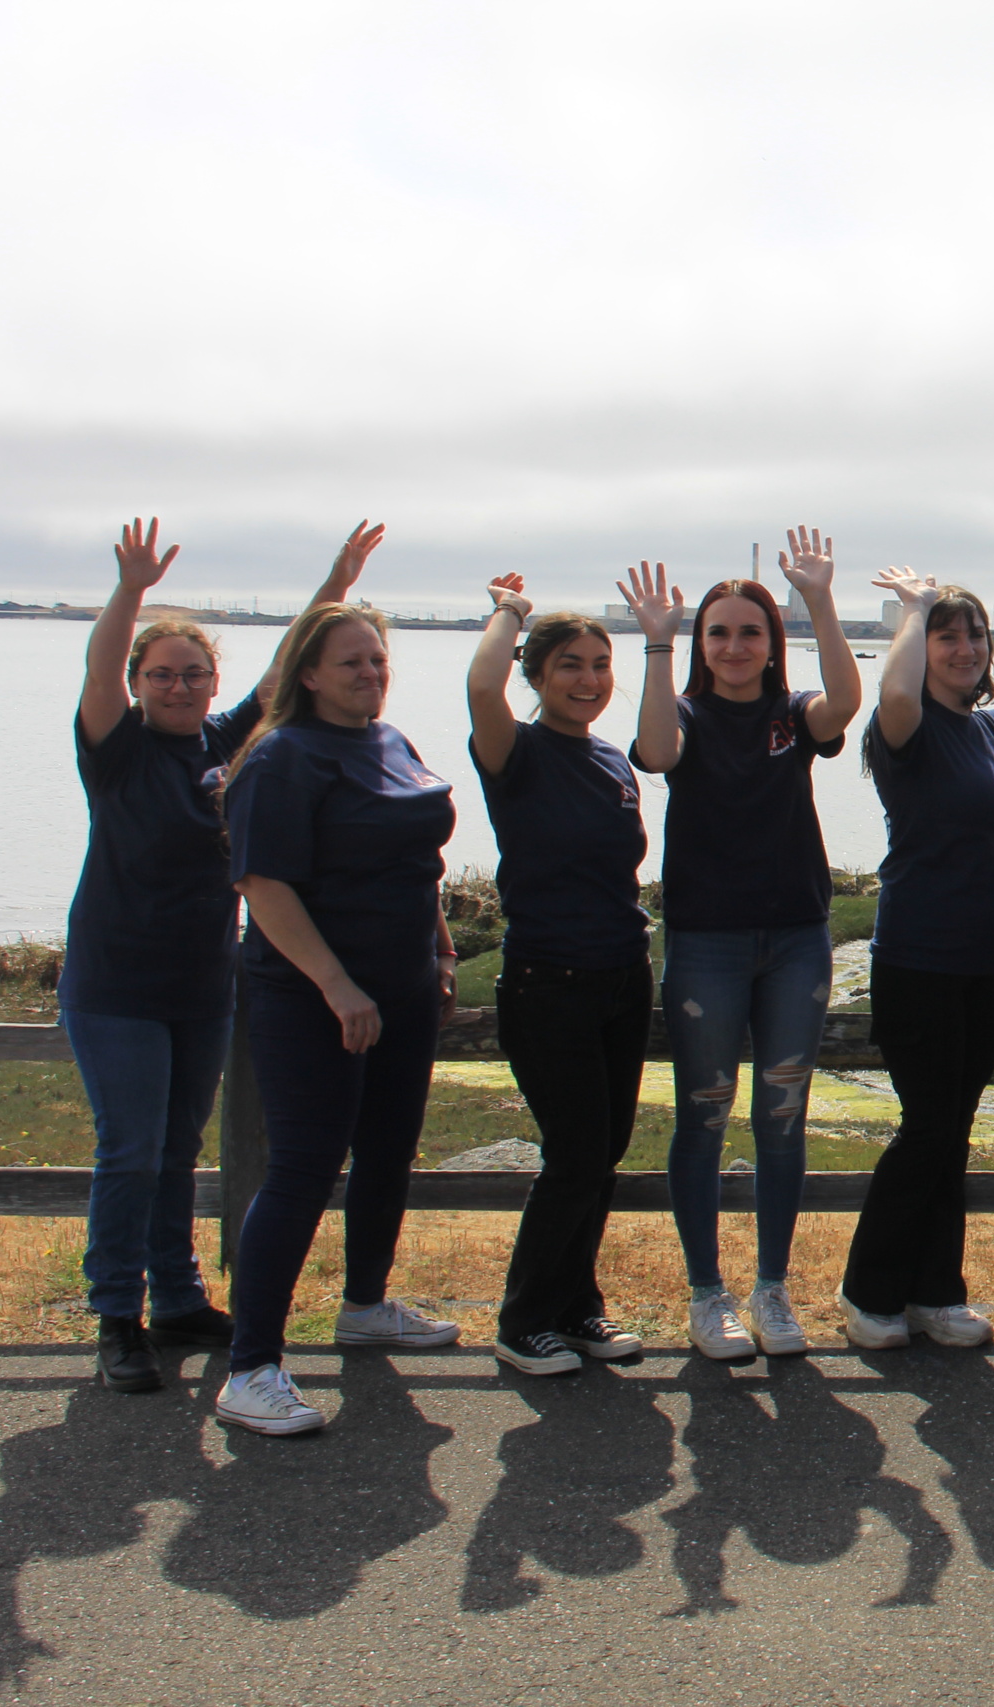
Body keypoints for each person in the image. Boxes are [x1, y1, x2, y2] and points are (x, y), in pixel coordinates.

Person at [61, 517, 376, 1393]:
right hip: (115, 983)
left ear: (211, 682)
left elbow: (284, 668)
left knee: (176, 1149)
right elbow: (97, 669)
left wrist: (337, 582)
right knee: (129, 1149)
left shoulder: (224, 743)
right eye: (162, 674)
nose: (179, 686)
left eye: (194, 673)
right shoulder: (116, 751)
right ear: (139, 684)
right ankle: (116, 1315)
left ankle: (177, 1298)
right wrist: (130, 591)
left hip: (201, 983)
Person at [216, 594, 461, 1435]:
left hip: (403, 987)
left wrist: (440, 949)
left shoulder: (389, 741)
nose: (370, 672)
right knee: (303, 1169)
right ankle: (251, 1367)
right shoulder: (281, 757)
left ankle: (364, 1306)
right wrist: (335, 984)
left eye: (378, 659)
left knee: (388, 1151)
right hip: (313, 997)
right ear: (309, 674)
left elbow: (417, 861)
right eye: (351, 661)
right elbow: (263, 884)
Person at [837, 567, 994, 1350]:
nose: (963, 648)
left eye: (974, 634)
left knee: (955, 1130)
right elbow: (895, 692)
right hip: (918, 955)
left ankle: (935, 1292)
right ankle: (868, 1290)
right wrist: (914, 610)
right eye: (946, 636)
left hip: (990, 959)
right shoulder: (906, 728)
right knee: (926, 1128)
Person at [622, 530, 863, 1360]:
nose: (733, 646)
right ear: (699, 644)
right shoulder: (683, 713)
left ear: (772, 642)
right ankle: (706, 1294)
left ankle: (772, 1288)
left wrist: (819, 600)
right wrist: (657, 644)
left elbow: (845, 703)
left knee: (783, 1116)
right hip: (707, 943)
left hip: (796, 937)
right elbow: (657, 753)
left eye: (750, 632)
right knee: (704, 1113)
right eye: (717, 633)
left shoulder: (792, 715)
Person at [467, 575, 655, 1376]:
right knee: (574, 1152)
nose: (589, 679)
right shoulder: (515, 750)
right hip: (548, 979)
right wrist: (510, 611)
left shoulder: (611, 758)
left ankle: (576, 1306)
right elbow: (481, 685)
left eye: (600, 664)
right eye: (570, 665)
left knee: (603, 1152)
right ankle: (523, 1321)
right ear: (537, 675)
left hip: (622, 975)